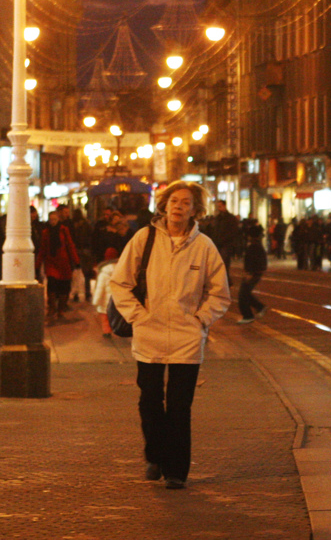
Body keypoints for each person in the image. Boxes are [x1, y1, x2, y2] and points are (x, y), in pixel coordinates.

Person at [110, 180, 231, 490]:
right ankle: (155, 455)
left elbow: (220, 293)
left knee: (179, 406)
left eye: (186, 202)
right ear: (164, 205)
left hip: (187, 338)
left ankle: (176, 471)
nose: (179, 206)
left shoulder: (204, 246)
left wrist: (201, 320)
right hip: (148, 334)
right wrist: (138, 316)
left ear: (195, 210)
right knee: (150, 400)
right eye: (174, 201)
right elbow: (119, 282)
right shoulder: (144, 238)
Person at [38, 207, 79, 320]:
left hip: (64, 263)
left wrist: (76, 261)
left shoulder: (64, 230)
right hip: (51, 262)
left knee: (63, 286)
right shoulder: (45, 232)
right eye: (51, 219)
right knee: (51, 284)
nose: (53, 222)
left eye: (55, 219)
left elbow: (70, 245)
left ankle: (61, 309)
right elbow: (42, 249)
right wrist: (38, 264)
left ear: (58, 219)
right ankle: (52, 307)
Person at [237, 218, 268, 325]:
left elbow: (253, 261)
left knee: (242, 294)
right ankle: (259, 307)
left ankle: (248, 315)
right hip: (254, 273)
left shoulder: (254, 246)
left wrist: (250, 273)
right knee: (245, 293)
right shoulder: (256, 245)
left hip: (253, 273)